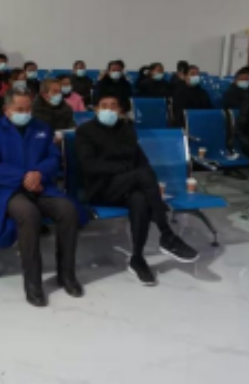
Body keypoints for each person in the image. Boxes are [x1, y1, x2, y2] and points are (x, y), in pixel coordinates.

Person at [0, 89, 87, 307]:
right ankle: (33, 282)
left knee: (67, 210)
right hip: (9, 190)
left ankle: (66, 274)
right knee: (29, 214)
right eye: (20, 109)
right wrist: (23, 177)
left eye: (28, 108)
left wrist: (38, 174)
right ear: (7, 110)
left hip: (41, 187)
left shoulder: (42, 128)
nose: (25, 113)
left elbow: (53, 158)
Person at [76, 93, 199, 285]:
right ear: (96, 109)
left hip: (127, 185)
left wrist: (149, 185)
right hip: (100, 188)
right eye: (104, 105)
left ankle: (138, 258)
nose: (109, 109)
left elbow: (141, 160)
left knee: (140, 199)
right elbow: (89, 166)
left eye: (113, 105)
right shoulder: (86, 131)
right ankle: (166, 234)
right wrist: (124, 167)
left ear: (120, 110)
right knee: (141, 175)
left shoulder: (126, 129)